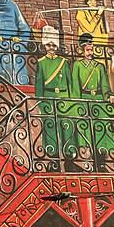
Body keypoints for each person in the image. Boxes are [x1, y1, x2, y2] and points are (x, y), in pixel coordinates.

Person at [71, 33, 114, 159]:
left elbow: (105, 86)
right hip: (84, 99)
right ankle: (86, 153)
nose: (90, 53)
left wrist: (109, 96)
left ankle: (102, 154)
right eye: (87, 50)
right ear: (82, 50)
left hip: (98, 99)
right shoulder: (77, 65)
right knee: (85, 126)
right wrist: (77, 103)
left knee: (101, 125)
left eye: (91, 49)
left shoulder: (100, 67)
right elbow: (75, 86)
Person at [35, 26, 73, 159]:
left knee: (67, 126)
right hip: (48, 97)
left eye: (53, 45)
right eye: (48, 45)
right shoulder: (41, 63)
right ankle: (53, 156)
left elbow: (69, 83)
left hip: (63, 97)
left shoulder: (63, 62)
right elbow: (39, 85)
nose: (51, 48)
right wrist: (40, 102)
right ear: (45, 46)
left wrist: (71, 100)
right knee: (49, 126)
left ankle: (70, 156)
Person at [75, 0, 110, 70]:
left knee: (102, 67)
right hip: (87, 46)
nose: (93, 3)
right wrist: (98, 14)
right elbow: (89, 29)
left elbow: (103, 30)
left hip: (100, 46)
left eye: (95, 0)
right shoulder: (81, 13)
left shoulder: (97, 12)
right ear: (87, 2)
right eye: (90, 0)